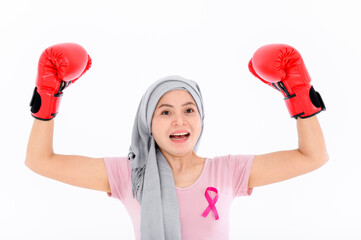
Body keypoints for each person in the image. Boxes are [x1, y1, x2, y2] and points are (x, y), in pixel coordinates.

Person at [25, 43, 329, 240]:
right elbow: (40, 161)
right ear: (148, 123)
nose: (179, 121)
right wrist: (48, 99)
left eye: (189, 110)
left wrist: (299, 96)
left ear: (201, 118)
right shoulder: (128, 174)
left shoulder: (229, 171)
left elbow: (312, 157)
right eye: (165, 112)